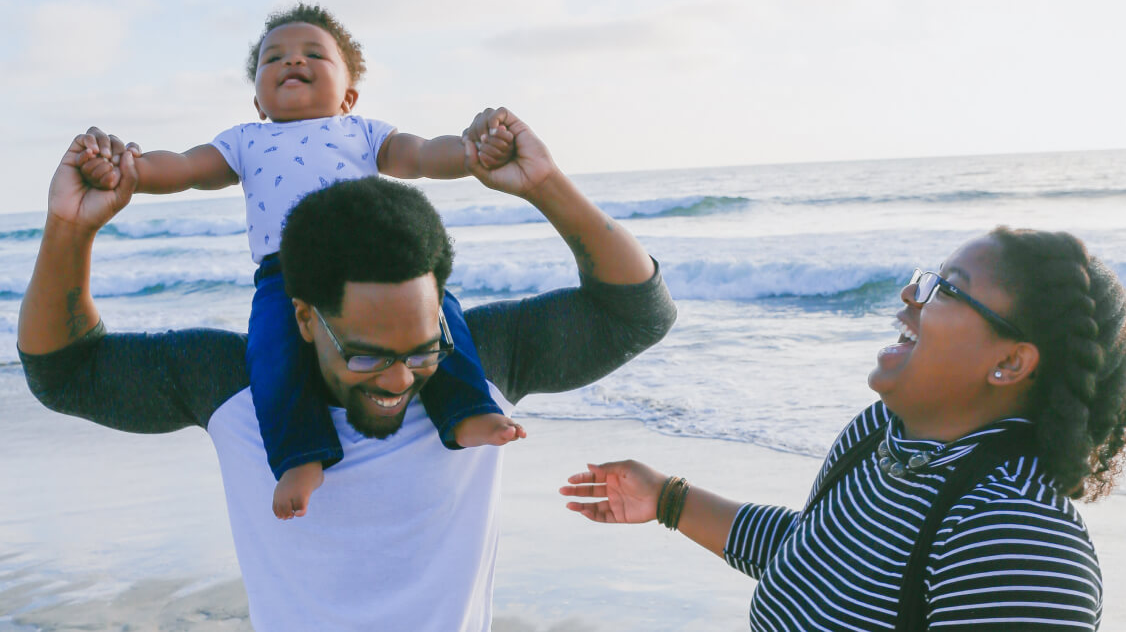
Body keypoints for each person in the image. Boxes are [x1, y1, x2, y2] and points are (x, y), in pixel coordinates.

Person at [19, 108, 677, 631]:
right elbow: (64, 373)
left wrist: (545, 186)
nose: (398, 379)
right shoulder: (233, 385)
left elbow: (637, 312)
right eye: (365, 353)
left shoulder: (476, 365)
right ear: (304, 318)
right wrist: (69, 230)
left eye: (422, 348)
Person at [561, 229, 1126, 630]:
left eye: (948, 288)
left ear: (1010, 364)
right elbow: (817, 559)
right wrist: (667, 499)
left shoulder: (1015, 540)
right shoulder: (881, 436)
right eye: (926, 277)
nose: (912, 294)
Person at [75, 2, 521, 520]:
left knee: (439, 313)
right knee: (271, 354)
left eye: (313, 54)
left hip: (374, 260)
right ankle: (300, 455)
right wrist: (127, 168)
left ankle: (467, 411)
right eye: (274, 59)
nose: (292, 62)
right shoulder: (246, 140)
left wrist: (471, 152)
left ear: (349, 96)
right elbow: (185, 168)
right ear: (259, 101)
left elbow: (422, 154)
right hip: (285, 274)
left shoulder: (364, 132)